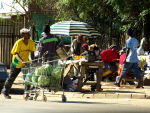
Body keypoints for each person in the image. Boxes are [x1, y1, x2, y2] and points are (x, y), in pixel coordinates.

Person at [1, 28, 36, 99]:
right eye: (27, 33)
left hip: (26, 63)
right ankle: (5, 92)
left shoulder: (31, 42)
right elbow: (15, 54)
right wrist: (21, 60)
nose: (29, 34)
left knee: (27, 78)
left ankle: (27, 93)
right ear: (22, 35)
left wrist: (33, 61)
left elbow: (32, 52)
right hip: (16, 62)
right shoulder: (18, 42)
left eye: (29, 33)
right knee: (11, 78)